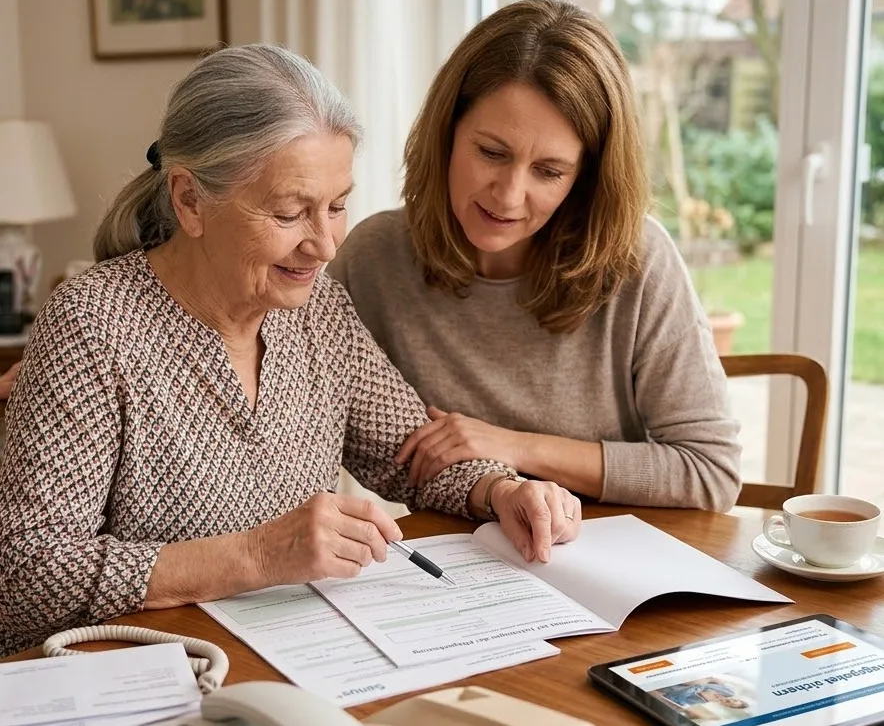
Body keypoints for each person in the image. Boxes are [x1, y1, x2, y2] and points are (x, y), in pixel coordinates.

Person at [0, 45, 581, 658]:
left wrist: (501, 489)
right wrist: (255, 555)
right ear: (189, 201)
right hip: (134, 677)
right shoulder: (92, 325)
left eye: (336, 206)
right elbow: (25, 576)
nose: (326, 245)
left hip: (293, 659)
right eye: (289, 213)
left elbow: (411, 452)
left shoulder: (319, 311)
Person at [327, 0, 741, 511]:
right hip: (458, 565)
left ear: (586, 178)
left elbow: (709, 472)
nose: (507, 195)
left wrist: (514, 445)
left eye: (548, 171)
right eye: (492, 153)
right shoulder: (374, 258)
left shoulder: (637, 260)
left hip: (608, 563)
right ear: (448, 132)